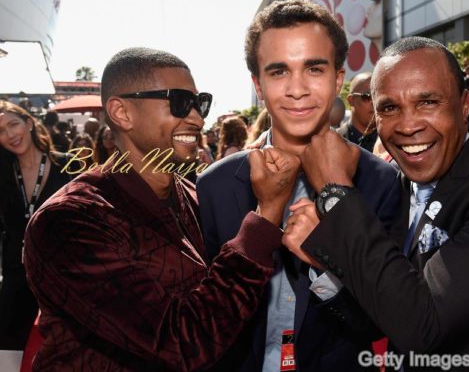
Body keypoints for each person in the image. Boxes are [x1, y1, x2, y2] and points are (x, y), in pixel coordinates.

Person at [282, 37, 469, 366]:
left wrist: (336, 195)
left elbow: (422, 326)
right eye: (390, 108)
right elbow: (384, 311)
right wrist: (326, 266)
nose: (408, 125)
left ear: (463, 106)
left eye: (428, 102)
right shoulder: (401, 183)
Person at [24, 47, 300, 370]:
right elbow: (182, 343)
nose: (197, 118)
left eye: (201, 104)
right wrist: (266, 216)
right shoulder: (69, 220)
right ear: (122, 112)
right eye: (180, 102)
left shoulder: (195, 195)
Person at [196, 0, 401, 372]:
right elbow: (203, 323)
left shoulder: (382, 182)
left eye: (314, 68)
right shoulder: (214, 186)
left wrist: (328, 262)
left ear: (338, 78)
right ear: (258, 85)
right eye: (278, 72)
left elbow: (390, 320)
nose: (297, 89)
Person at [0, 100, 72, 350]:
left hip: (62, 274)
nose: (10, 135)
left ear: (29, 123)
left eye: (13, 124)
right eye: (0, 131)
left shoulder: (69, 165)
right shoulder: (3, 172)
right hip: (16, 274)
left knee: (61, 347)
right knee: (10, 348)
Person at [337, 72, 378, 152]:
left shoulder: (391, 142)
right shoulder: (335, 140)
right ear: (351, 100)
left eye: (378, 96)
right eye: (367, 96)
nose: (374, 102)